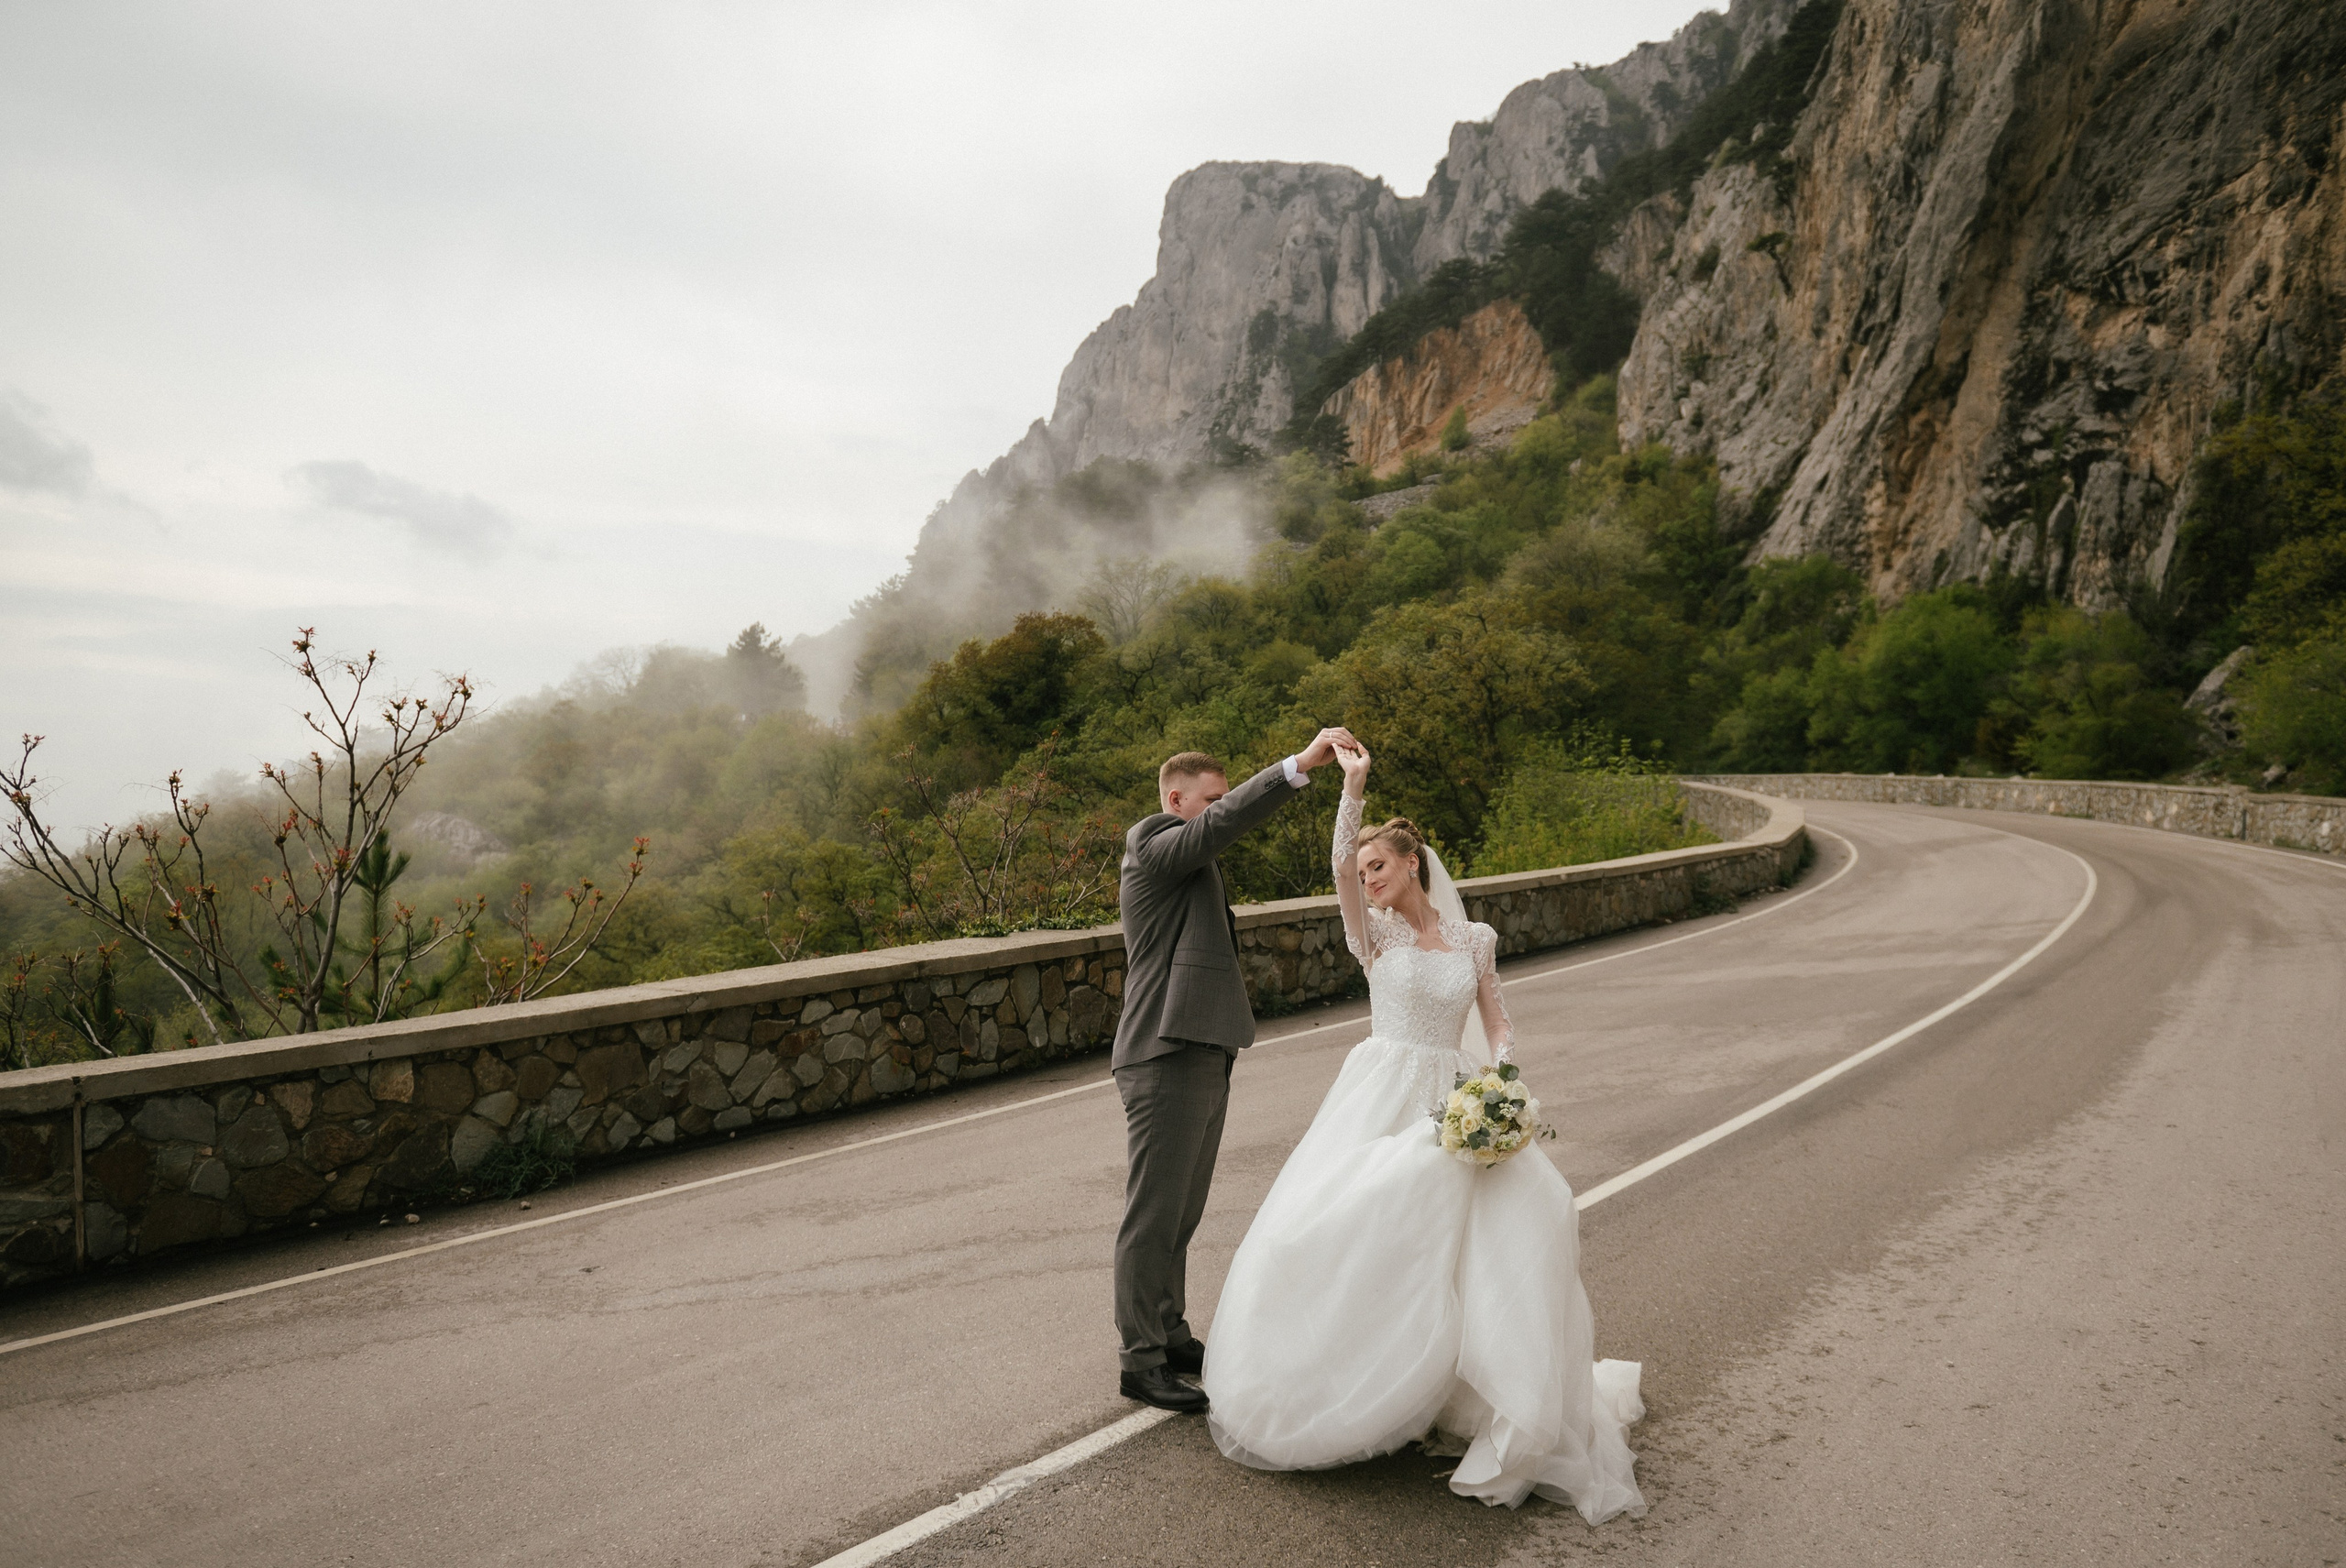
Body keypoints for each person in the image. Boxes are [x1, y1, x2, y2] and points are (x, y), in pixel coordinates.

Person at [1200, 738, 1647, 1520]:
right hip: (1378, 1094)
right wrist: (1354, 793)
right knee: (1343, 1227)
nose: (1368, 879)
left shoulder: (1474, 942)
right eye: (1365, 870)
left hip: (1452, 1098)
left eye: (1380, 866)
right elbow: (1337, 866)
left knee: (1490, 1241)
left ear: (1413, 863)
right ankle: (1346, 1383)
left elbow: (1498, 1024)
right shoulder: (1374, 938)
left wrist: (1503, 1079)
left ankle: (1463, 1387)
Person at [1111, 729, 1355, 1414]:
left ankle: (1169, 1330)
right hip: (1164, 1050)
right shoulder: (1152, 843)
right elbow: (1218, 825)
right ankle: (1140, 1359)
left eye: (1222, 797)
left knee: (1182, 1213)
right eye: (1209, 800)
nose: (1218, 809)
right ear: (1174, 798)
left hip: (1203, 1047)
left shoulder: (1190, 859)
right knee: (1153, 1216)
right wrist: (1298, 767)